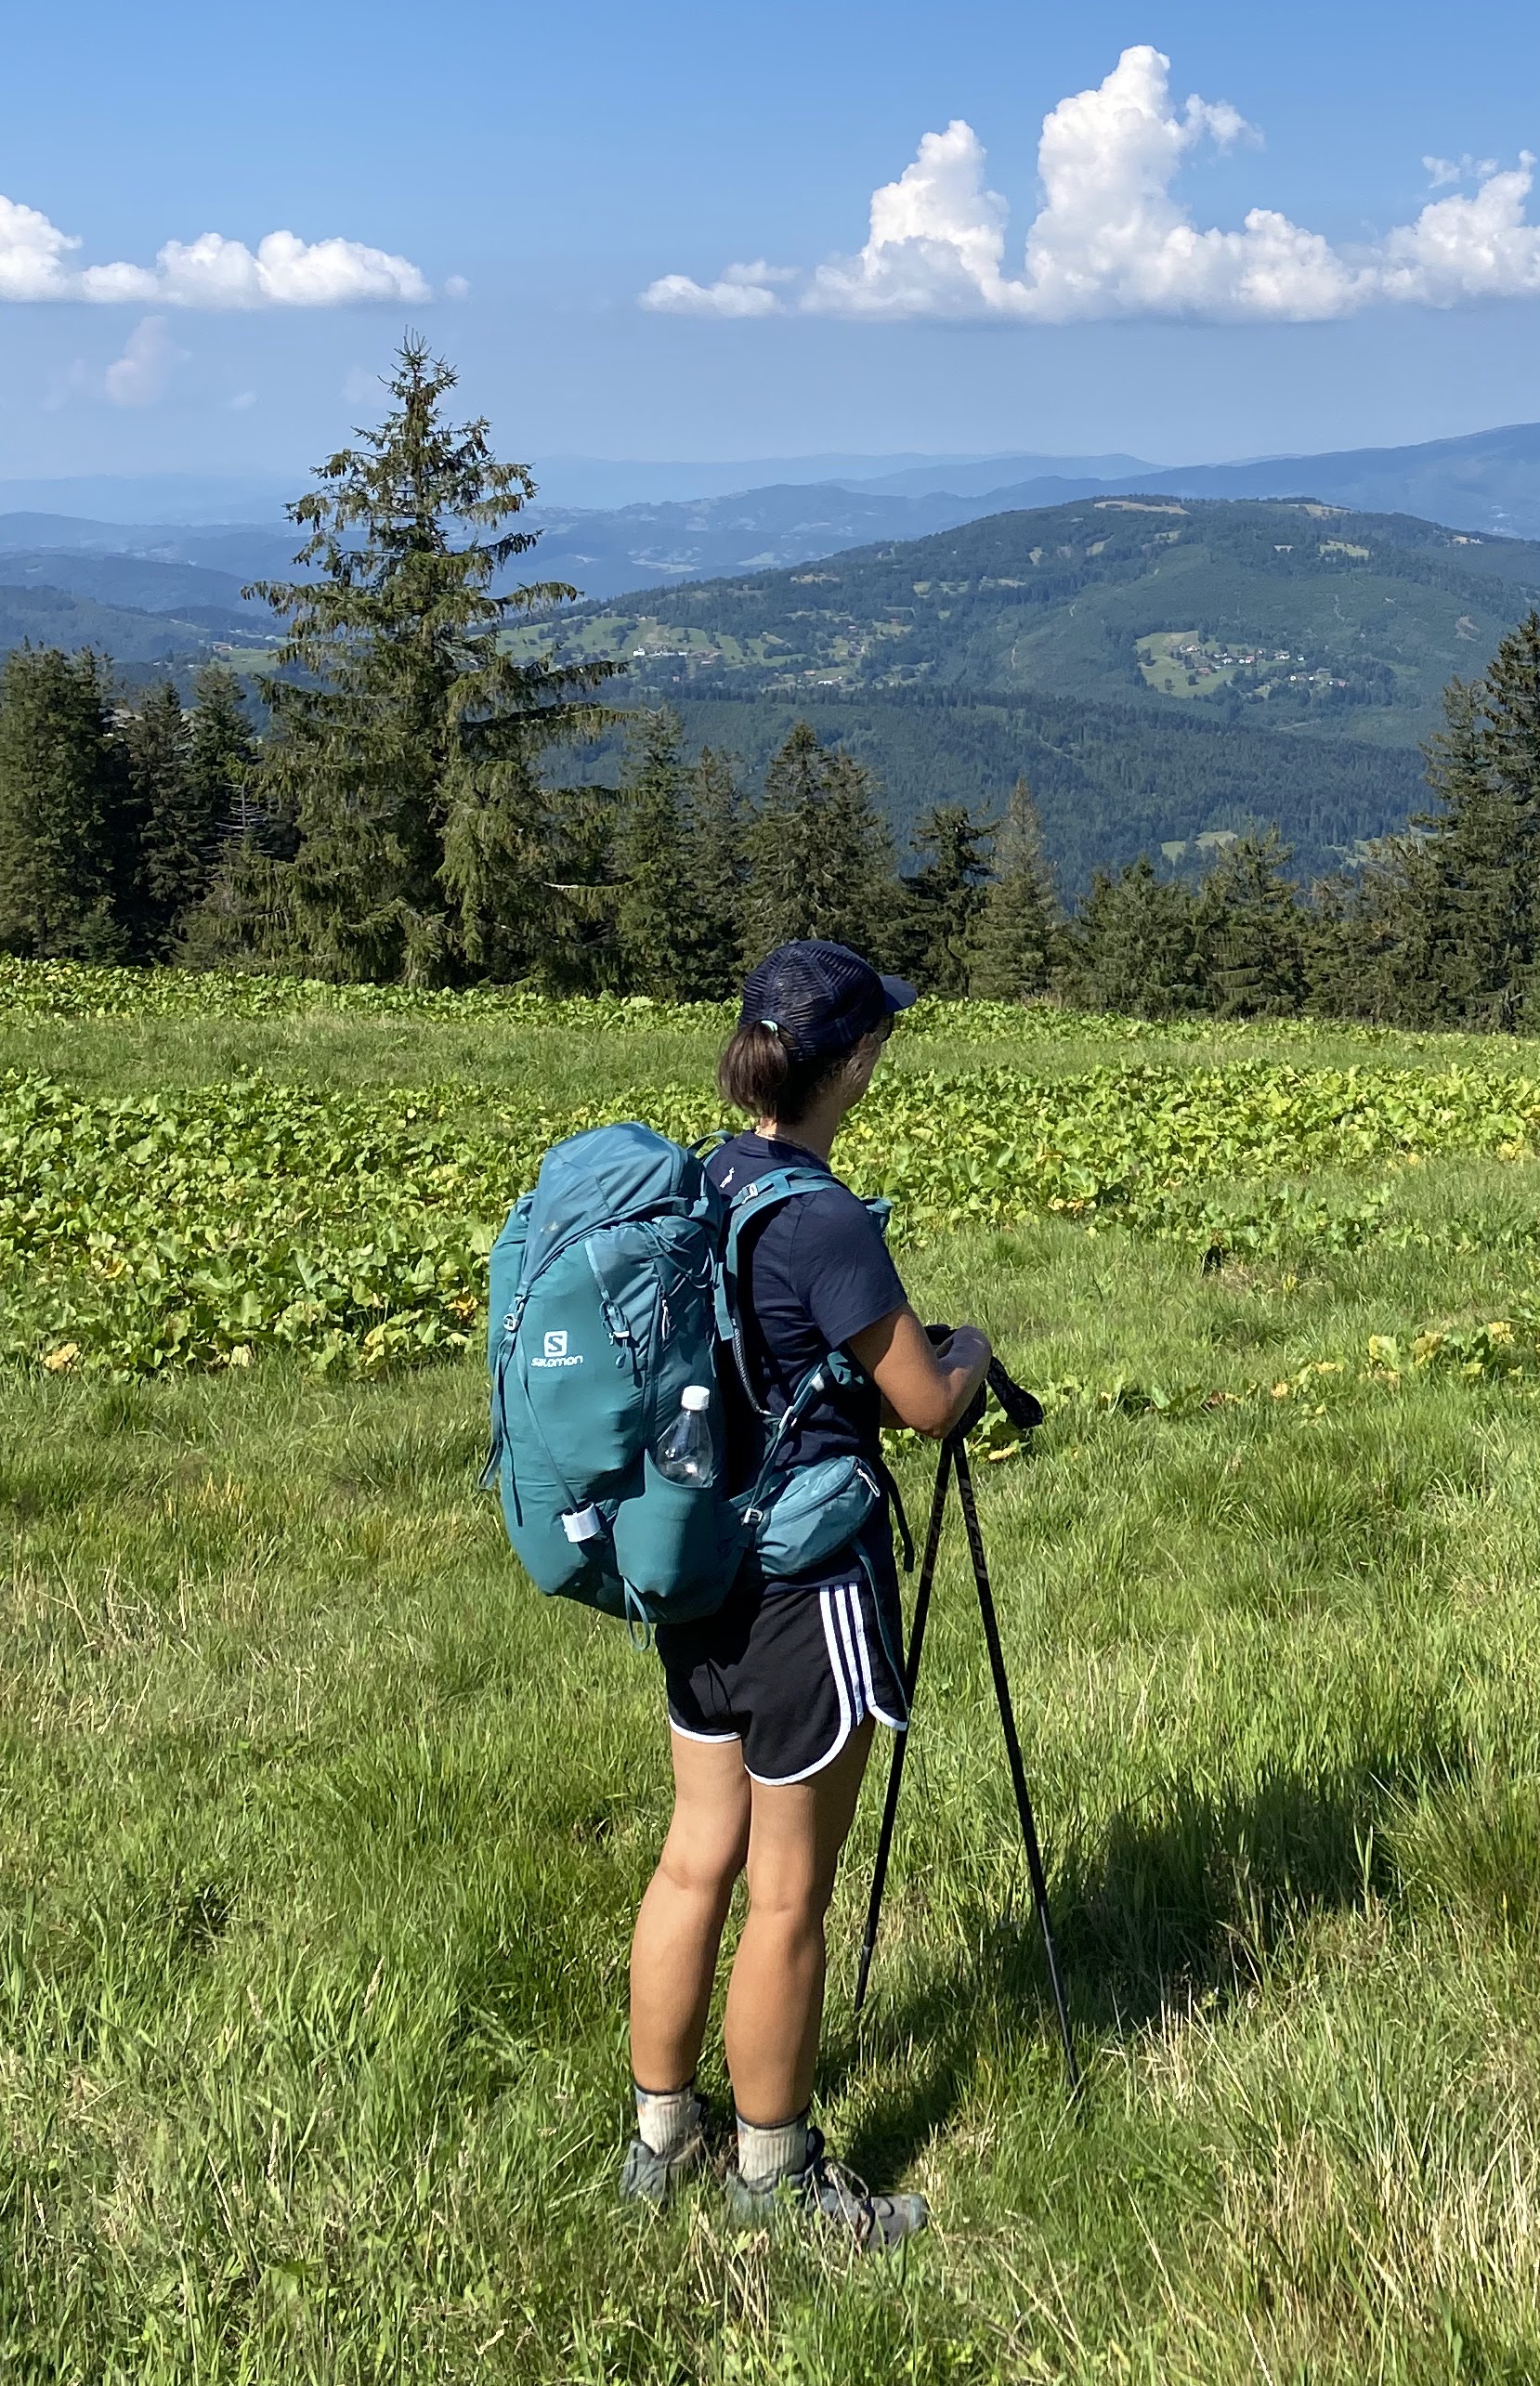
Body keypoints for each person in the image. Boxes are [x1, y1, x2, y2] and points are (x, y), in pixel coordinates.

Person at [620, 939, 986, 2243]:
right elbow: (928, 1405)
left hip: (701, 1566)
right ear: (855, 1063)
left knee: (692, 1859)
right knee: (788, 1894)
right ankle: (775, 2174)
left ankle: (658, 2141)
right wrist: (976, 1352)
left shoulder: (710, 1177)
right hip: (805, 1588)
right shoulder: (824, 1218)